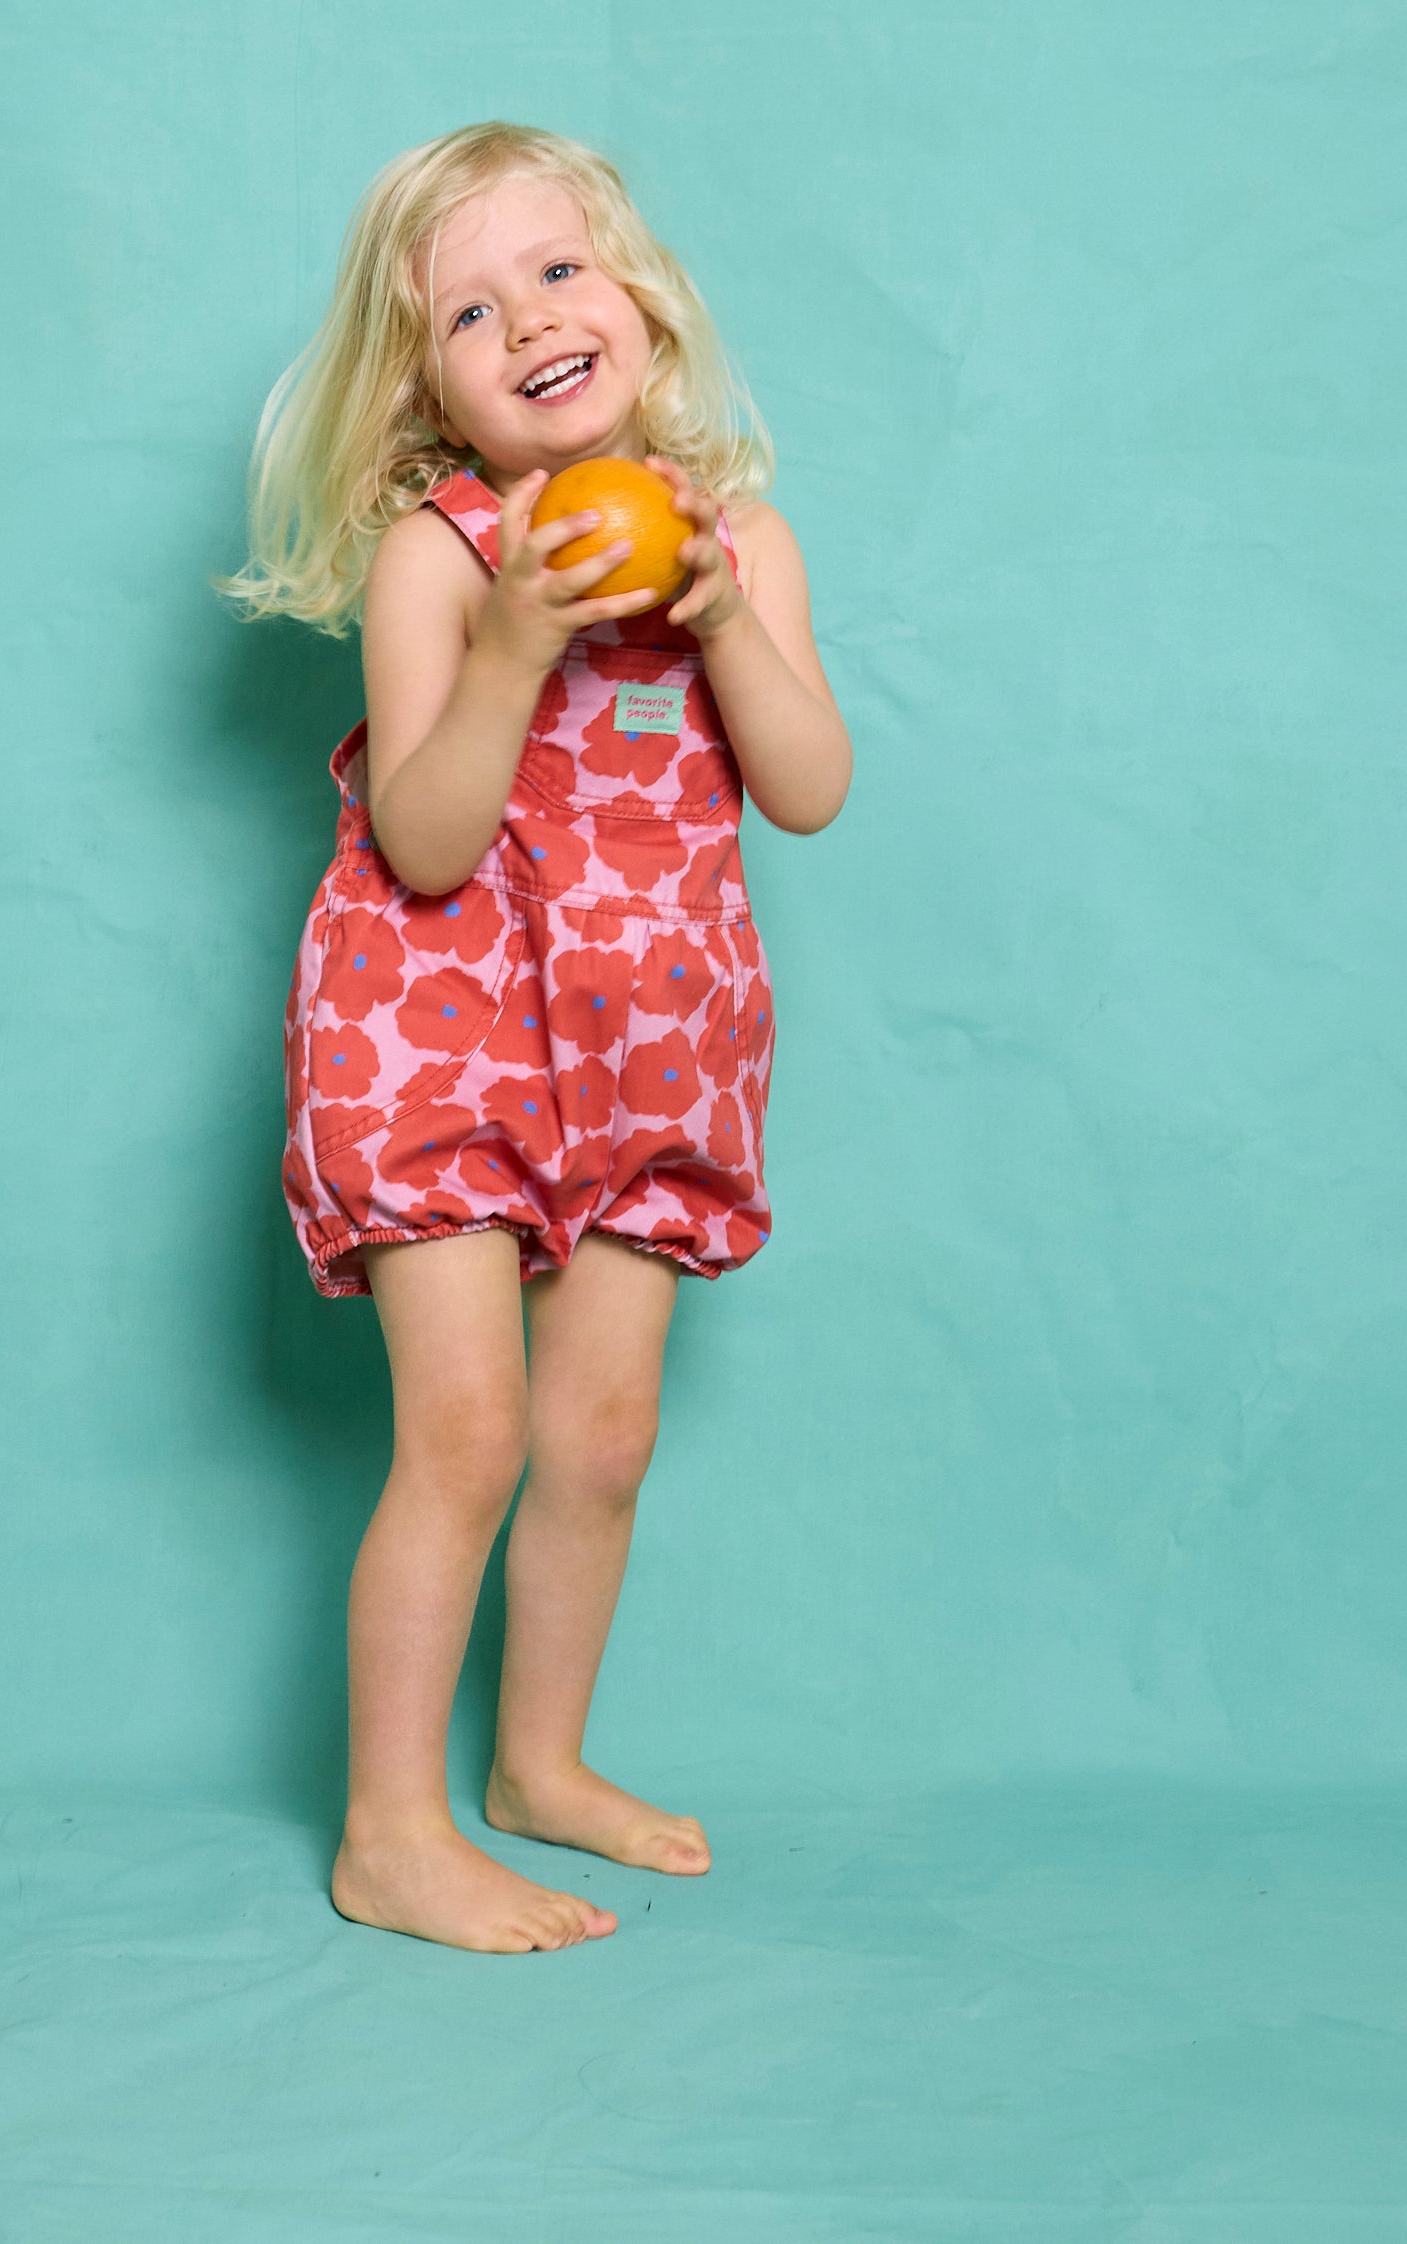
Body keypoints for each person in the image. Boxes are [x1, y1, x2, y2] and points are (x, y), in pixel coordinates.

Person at [221, 122, 851, 1952]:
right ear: (429, 388)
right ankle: (390, 1832)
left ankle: (540, 1764)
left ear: (640, 301)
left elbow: (808, 788)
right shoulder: (440, 558)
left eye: (559, 272)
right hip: (445, 1042)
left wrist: (724, 620)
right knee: (470, 1437)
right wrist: (511, 642)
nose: (531, 322)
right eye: (471, 312)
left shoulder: (744, 544)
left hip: (650, 1048)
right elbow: (423, 841)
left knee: (603, 1436)